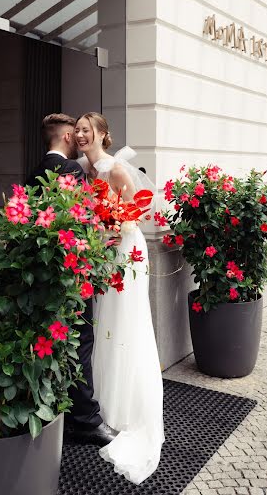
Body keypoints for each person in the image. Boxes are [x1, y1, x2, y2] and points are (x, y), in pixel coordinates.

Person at [75, 112, 165, 485]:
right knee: (104, 324)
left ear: (102, 134)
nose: (80, 134)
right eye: (77, 129)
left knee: (124, 322)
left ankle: (124, 409)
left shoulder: (114, 169)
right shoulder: (82, 169)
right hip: (102, 253)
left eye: (86, 129)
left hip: (124, 253)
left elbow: (140, 211)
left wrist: (116, 223)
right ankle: (102, 405)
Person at [26, 113, 117, 446]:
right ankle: (86, 420)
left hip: (45, 276)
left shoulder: (34, 172)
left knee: (56, 345)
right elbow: (84, 221)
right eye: (75, 132)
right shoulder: (71, 170)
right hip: (73, 273)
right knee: (82, 343)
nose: (79, 137)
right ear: (66, 137)